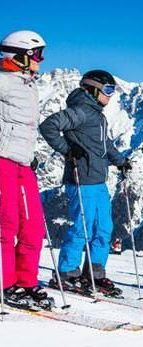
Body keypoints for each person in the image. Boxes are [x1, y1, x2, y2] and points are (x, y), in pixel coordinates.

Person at [39, 70, 131, 297]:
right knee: (83, 227)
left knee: (104, 229)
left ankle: (94, 274)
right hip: (81, 181)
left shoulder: (98, 115)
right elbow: (48, 126)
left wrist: (120, 161)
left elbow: (104, 144)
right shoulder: (80, 110)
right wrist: (68, 149)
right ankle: (67, 272)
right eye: (108, 90)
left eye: (113, 90)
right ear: (92, 89)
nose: (111, 95)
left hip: (98, 180)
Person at [0, 30, 54, 310]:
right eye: (37, 54)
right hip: (2, 161)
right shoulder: (3, 82)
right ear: (20, 55)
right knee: (5, 225)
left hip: (23, 163)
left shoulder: (28, 84)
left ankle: (26, 282)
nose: (40, 60)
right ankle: (6, 285)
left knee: (33, 227)